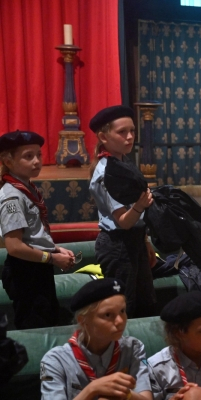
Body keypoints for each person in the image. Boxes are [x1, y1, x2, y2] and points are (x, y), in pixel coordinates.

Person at [0, 130, 75, 329]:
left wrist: (54, 248)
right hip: (24, 270)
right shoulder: (12, 197)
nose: (36, 161)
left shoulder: (28, 188)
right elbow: (15, 246)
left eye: (39, 155)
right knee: (36, 327)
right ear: (8, 161)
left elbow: (32, 235)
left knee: (49, 319)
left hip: (36, 263)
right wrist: (51, 258)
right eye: (28, 156)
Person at [88, 105, 157, 318]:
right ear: (103, 136)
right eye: (122, 132)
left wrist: (144, 241)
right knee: (126, 310)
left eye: (132, 131)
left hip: (133, 240)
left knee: (146, 305)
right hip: (118, 245)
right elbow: (124, 222)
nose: (129, 137)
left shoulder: (122, 161)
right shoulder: (107, 172)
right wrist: (141, 205)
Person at [40, 279, 152, 400]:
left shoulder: (133, 348)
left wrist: (124, 394)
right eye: (108, 315)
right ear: (83, 320)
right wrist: (92, 389)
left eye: (122, 311)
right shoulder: (56, 360)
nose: (120, 321)